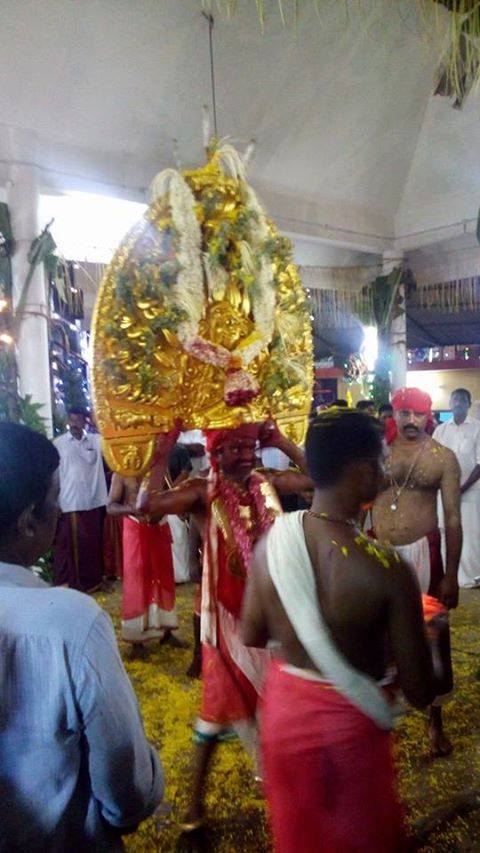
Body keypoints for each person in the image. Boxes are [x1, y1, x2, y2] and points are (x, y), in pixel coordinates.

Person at [241, 409, 435, 853]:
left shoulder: (274, 545)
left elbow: (252, 632)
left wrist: (300, 624)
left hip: (286, 723)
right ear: (363, 469)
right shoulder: (387, 570)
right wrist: (435, 635)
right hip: (350, 738)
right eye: (383, 460)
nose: (386, 470)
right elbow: (422, 690)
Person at [138, 418, 312, 829]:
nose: (246, 454)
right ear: (214, 452)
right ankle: (195, 805)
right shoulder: (201, 489)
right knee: (217, 712)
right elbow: (147, 509)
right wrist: (161, 453)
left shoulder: (267, 479)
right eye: (234, 447)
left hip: (276, 614)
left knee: (280, 703)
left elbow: (317, 479)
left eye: (251, 445)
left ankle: (276, 787)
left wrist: (282, 441)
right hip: (226, 622)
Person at [0, 423, 163, 849]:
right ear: (29, 522)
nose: (60, 510)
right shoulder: (71, 623)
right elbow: (126, 789)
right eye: (55, 500)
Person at [372, 387, 462, 756]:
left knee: (432, 635)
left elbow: (453, 519)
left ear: (429, 417)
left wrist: (451, 574)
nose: (411, 421)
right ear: (393, 413)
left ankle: (434, 725)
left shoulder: (443, 457)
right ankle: (377, 720)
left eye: (418, 414)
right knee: (375, 636)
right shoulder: (377, 452)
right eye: (404, 413)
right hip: (378, 551)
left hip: (425, 552)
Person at [107, 472, 185, 647]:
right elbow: (110, 506)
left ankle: (166, 631)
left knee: (163, 579)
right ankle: (137, 641)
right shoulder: (121, 472)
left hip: (160, 527)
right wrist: (133, 509)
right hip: (135, 527)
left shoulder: (160, 468)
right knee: (137, 581)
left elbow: (171, 493)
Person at [53, 408, 108, 592]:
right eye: (72, 420)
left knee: (92, 544)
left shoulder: (96, 441)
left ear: (85, 422)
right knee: (71, 545)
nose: (74, 424)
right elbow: (53, 474)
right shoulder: (59, 444)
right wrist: (55, 501)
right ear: (68, 421)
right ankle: (73, 584)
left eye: (78, 421)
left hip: (94, 502)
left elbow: (112, 446)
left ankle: (93, 582)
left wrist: (96, 424)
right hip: (70, 503)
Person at [434, 388, 480, 589]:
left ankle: (473, 576)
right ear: (450, 403)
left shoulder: (478, 428)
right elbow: (432, 460)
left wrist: (461, 488)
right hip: (444, 492)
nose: (459, 403)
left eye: (463, 399)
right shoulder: (441, 430)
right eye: (455, 399)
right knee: (446, 531)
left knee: (471, 533)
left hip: (471, 492)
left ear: (469, 404)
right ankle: (449, 574)